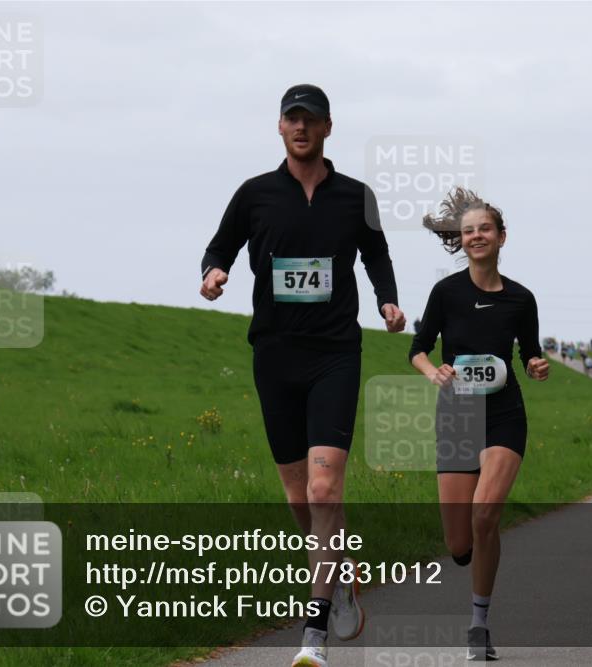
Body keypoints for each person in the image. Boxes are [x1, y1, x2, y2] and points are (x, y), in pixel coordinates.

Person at [199, 84, 407, 667]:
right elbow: (220, 247)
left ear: (328, 128)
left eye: (311, 119)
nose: (301, 127)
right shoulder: (255, 194)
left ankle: (313, 634)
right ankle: (341, 577)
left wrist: (388, 301)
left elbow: (377, 254)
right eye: (292, 118)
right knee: (299, 497)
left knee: (323, 489)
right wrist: (214, 273)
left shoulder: (355, 196)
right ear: (280, 127)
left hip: (337, 353)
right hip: (275, 353)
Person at [409, 187, 548, 661]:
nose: (476, 236)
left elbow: (530, 352)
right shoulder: (445, 293)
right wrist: (435, 372)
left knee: (486, 515)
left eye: (484, 228)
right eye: (468, 231)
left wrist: (535, 365)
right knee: (459, 541)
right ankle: (468, 558)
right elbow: (418, 349)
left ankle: (478, 623)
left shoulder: (521, 298)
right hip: (457, 414)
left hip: (504, 415)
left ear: (501, 236)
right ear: (461, 240)